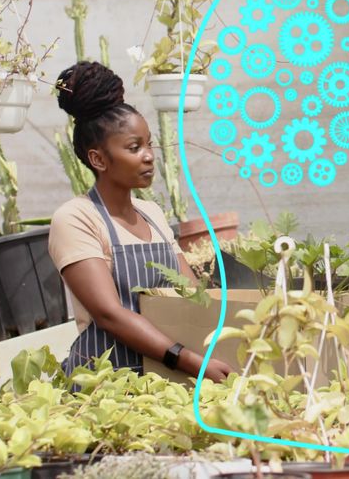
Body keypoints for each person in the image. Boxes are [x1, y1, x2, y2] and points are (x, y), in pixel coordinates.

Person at [48, 61, 233, 382]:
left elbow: (189, 294)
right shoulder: (76, 218)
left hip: (164, 378)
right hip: (106, 383)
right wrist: (190, 361)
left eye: (149, 144)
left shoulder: (154, 214)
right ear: (98, 159)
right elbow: (110, 314)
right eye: (134, 147)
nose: (148, 155)